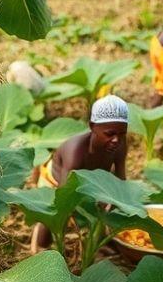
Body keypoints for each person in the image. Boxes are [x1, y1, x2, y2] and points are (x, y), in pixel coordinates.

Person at [30, 94, 131, 254]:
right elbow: (65, 194)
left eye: (122, 134)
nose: (116, 140)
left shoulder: (120, 145)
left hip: (92, 180)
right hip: (57, 180)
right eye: (110, 133)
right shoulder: (75, 150)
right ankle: (42, 246)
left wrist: (114, 205)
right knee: (54, 212)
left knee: (102, 211)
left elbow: (120, 180)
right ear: (92, 127)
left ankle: (99, 241)